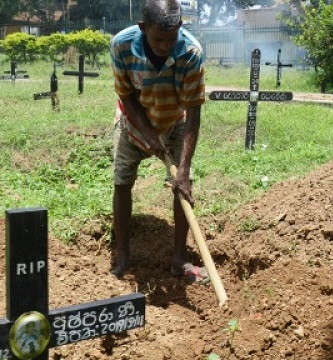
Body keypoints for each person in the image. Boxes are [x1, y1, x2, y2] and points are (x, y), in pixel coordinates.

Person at [109, 0, 205, 278]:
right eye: (158, 39)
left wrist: (183, 169)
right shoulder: (121, 46)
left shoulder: (190, 52)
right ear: (143, 28)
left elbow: (194, 111)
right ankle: (124, 257)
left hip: (175, 122)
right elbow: (127, 96)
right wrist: (149, 135)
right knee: (122, 181)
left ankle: (179, 259)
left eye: (171, 38)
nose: (165, 45)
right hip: (134, 122)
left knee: (182, 188)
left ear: (180, 28)